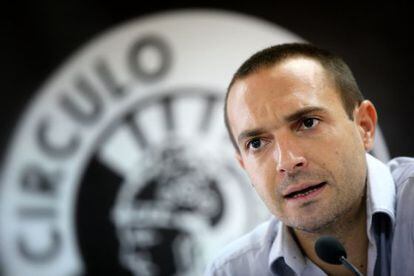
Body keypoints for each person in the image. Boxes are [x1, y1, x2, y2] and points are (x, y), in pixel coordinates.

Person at [204, 43, 414, 275]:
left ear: (364, 126)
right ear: (244, 166)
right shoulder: (231, 271)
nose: (287, 162)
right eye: (256, 143)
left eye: (308, 123)